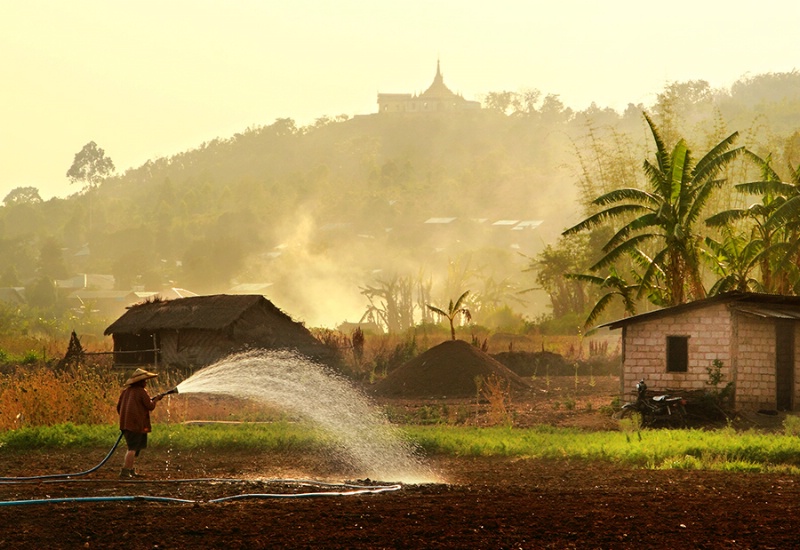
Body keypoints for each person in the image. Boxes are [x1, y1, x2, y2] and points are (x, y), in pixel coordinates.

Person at [117, 368, 164, 478]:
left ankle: (131, 470)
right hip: (136, 426)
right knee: (132, 449)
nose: (146, 382)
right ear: (140, 382)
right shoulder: (142, 392)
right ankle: (125, 470)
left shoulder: (125, 392)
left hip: (126, 425)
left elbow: (119, 407)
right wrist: (156, 399)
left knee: (135, 448)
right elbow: (150, 406)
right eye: (145, 381)